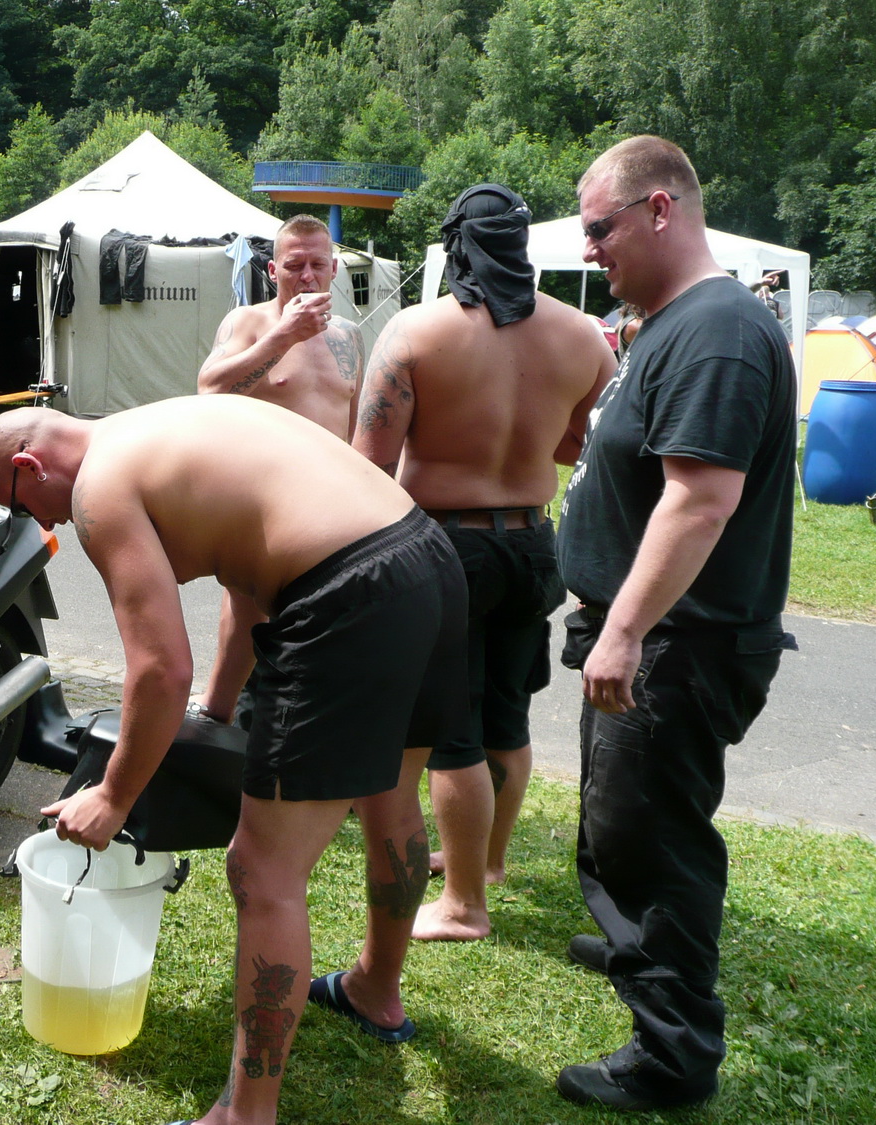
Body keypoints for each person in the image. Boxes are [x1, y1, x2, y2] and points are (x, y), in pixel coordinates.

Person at [0, 395, 468, 1125]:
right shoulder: (163, 425)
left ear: (31, 464)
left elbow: (157, 670)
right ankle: (374, 990)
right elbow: (247, 579)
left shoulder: (99, 487)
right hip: (426, 558)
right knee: (391, 800)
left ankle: (246, 1115)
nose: (42, 524)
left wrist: (112, 796)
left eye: (24, 505)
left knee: (262, 871)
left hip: (348, 594)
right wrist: (217, 708)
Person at [557, 135, 797, 1111]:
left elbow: (700, 501)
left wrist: (623, 632)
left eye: (600, 228)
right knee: (618, 821)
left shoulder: (718, 330)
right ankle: (632, 935)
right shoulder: (667, 322)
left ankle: (672, 1054)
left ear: (661, 209)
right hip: (650, 631)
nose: (590, 249)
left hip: (677, 641)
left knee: (653, 840)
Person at [353, 184, 615, 942]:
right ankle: (489, 860)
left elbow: (369, 463)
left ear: (458, 244)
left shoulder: (417, 331)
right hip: (532, 545)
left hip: (446, 545)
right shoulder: (582, 336)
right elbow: (589, 445)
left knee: (452, 731)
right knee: (507, 713)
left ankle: (465, 903)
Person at [190, 213, 364, 727]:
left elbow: (356, 426)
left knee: (325, 630)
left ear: (334, 269)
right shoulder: (247, 322)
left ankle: (308, 729)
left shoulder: (349, 336)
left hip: (332, 507)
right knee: (248, 609)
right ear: (272, 270)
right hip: (261, 504)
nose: (307, 276)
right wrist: (284, 336)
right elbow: (209, 390)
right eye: (294, 266)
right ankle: (217, 714)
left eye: (317, 265)